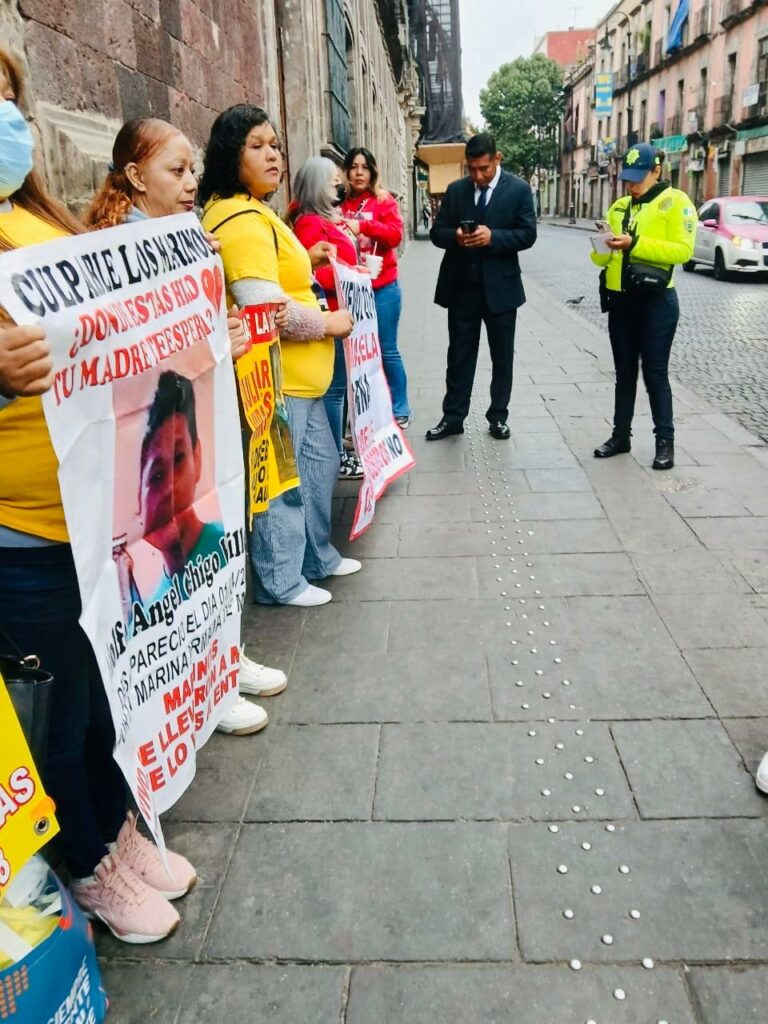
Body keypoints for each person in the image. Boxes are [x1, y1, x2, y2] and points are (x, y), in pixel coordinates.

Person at [0, 54, 193, 944]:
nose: (6, 118)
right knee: (60, 713)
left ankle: (117, 835)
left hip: (87, 519)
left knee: (100, 699)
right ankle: (87, 865)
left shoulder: (36, 218)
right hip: (20, 534)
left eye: (8, 99)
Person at [86, 117, 287, 736]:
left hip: (193, 418)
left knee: (208, 551)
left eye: (192, 169)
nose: (191, 182)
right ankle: (200, 687)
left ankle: (224, 659)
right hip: (151, 433)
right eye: (176, 171)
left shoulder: (185, 240)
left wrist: (221, 333)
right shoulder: (119, 251)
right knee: (170, 566)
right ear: (134, 176)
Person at [199, 104, 359, 608]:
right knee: (283, 483)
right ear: (231, 155)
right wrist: (326, 324)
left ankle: (316, 558)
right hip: (277, 380)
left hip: (300, 380)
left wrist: (305, 259)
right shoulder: (240, 218)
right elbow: (264, 306)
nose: (272, 155)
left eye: (275, 145)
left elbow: (270, 273)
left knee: (317, 467)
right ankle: (281, 580)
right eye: (257, 146)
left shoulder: (254, 211)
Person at [590, 143, 696, 471]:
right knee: (624, 374)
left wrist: (634, 243)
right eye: (628, 179)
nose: (632, 185)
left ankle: (665, 443)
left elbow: (683, 251)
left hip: (656, 302)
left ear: (656, 171)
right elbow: (601, 260)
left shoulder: (676, 202)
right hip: (621, 301)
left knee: (655, 374)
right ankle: (620, 436)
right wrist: (602, 244)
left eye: (638, 178)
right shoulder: (619, 207)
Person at [427, 132, 537, 441]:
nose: (477, 176)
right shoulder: (456, 190)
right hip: (462, 288)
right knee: (459, 356)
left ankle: (498, 417)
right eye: (472, 169)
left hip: (502, 290)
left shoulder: (518, 189)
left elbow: (528, 234)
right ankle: (453, 418)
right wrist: (455, 237)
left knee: (502, 357)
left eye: (483, 169)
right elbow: (437, 233)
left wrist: (493, 237)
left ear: (497, 159)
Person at [290, 156, 364, 480]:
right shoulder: (309, 223)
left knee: (340, 391)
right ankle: (337, 457)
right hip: (328, 317)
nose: (340, 183)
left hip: (340, 315)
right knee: (334, 393)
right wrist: (349, 275)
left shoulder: (329, 220)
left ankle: (338, 452)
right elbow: (311, 276)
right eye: (333, 179)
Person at [341, 147, 411, 428]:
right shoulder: (339, 202)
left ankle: (400, 407)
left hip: (383, 287)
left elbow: (395, 235)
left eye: (365, 167)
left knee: (387, 349)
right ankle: (366, 411)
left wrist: (365, 227)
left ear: (372, 172)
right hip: (351, 291)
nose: (359, 173)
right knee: (357, 354)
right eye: (354, 167)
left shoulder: (383, 200)